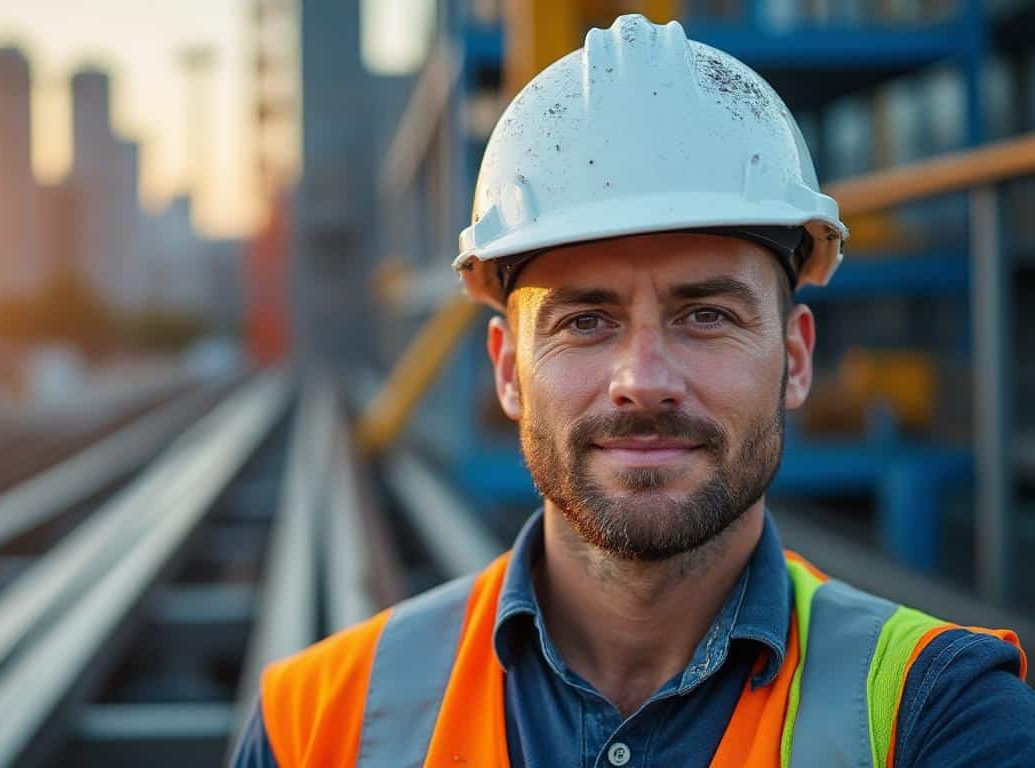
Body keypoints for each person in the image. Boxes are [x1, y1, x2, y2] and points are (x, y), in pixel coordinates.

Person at [231, 14, 1034, 767]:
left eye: (707, 315)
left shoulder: (939, 716)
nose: (643, 381)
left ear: (795, 357)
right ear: (509, 369)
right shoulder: (313, 728)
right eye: (585, 322)